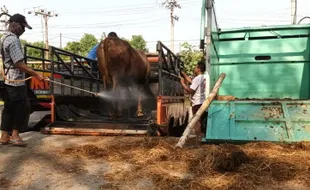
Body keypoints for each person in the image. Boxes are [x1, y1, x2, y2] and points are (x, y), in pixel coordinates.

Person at [0, 13, 45, 147]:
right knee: (22, 107)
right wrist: (36, 73)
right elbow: (19, 63)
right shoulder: (13, 40)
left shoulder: (4, 38)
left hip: (8, 80)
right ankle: (15, 135)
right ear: (15, 24)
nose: (24, 30)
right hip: (16, 80)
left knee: (9, 107)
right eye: (22, 27)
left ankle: (4, 136)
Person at [180, 60, 208, 139]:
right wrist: (184, 75)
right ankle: (202, 137)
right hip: (202, 102)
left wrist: (182, 83)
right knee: (201, 121)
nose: (194, 68)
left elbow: (190, 91)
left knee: (196, 122)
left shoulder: (197, 78)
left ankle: (199, 139)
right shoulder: (203, 77)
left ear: (198, 69)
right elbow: (193, 82)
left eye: (195, 67)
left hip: (197, 103)